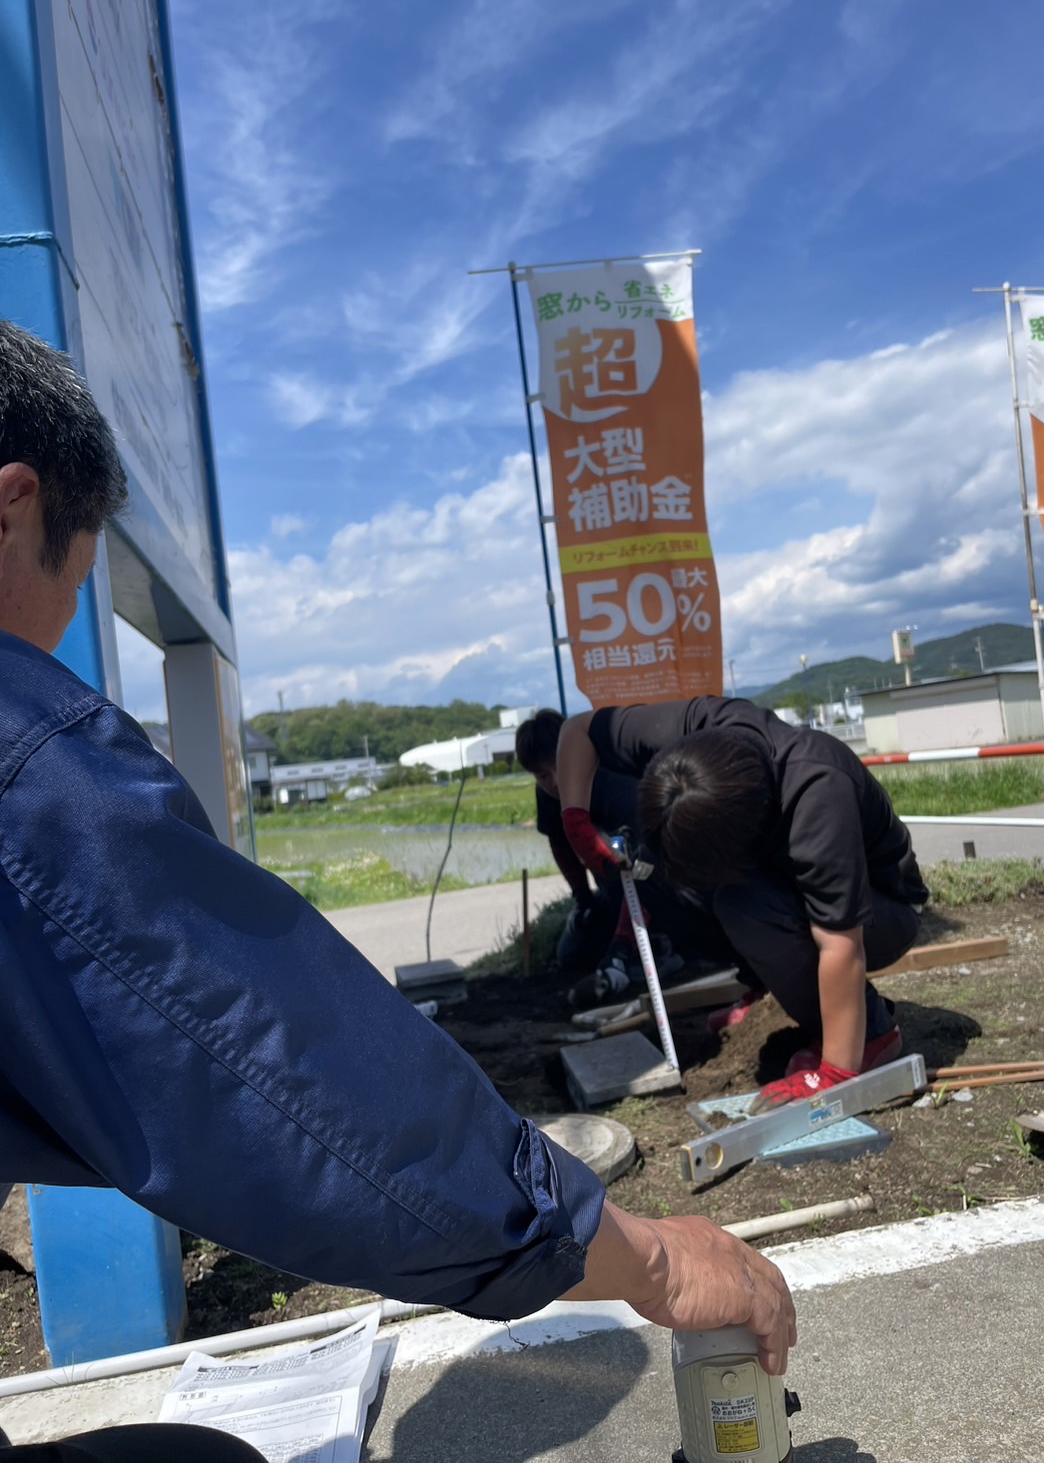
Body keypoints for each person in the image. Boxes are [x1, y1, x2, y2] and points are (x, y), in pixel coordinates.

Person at [0, 322, 794, 1454]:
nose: (56, 642)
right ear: (12, 507)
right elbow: (281, 1079)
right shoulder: (23, 760)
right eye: (72, 587)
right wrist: (650, 1254)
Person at [555, 699, 929, 1111]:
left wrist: (836, 1073)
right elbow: (579, 731)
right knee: (669, 888)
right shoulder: (691, 726)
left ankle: (874, 1032)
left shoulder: (817, 792)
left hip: (884, 910)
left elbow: (841, 945)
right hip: (782, 882)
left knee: (742, 906)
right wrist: (576, 822)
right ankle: (766, 981)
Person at [515, 708, 729, 1004]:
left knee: (654, 911)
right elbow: (561, 846)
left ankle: (651, 948)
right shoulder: (548, 796)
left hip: (660, 882)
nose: (553, 780)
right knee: (571, 953)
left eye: (557, 766)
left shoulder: (613, 782)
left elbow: (641, 866)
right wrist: (582, 898)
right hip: (612, 888)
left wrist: (621, 943)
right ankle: (631, 950)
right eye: (542, 775)